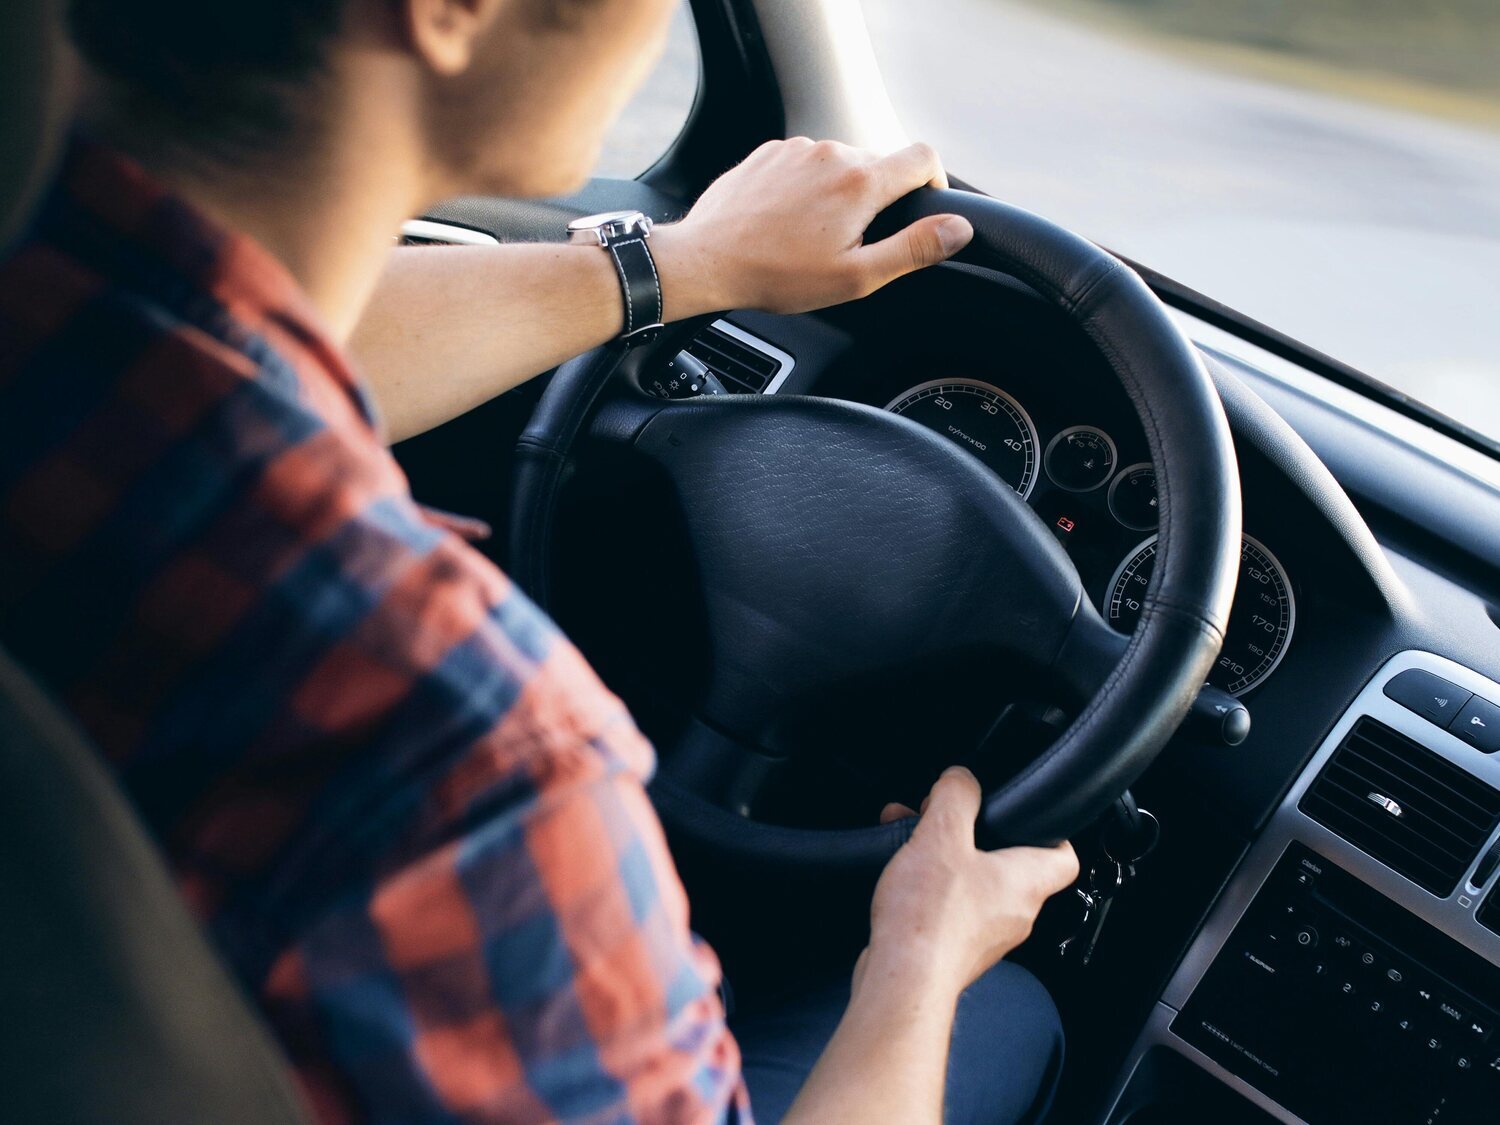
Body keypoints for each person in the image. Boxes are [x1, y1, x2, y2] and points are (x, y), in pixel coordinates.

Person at [0, 0, 1079, 1121]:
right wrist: (919, 954)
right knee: (1005, 1014)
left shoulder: (52, 293)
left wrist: (684, 265)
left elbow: (258, 341)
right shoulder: (461, 754)